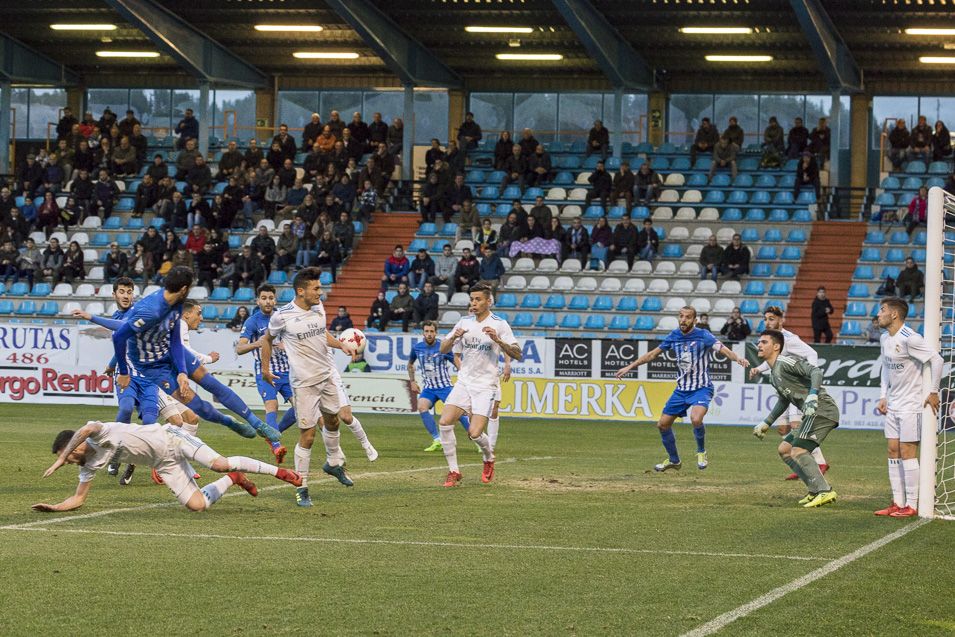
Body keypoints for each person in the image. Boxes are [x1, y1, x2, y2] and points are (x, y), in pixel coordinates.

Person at [258, 267, 378, 507]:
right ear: (301, 291)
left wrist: (341, 345)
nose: (320, 293)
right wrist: (265, 369)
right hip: (304, 384)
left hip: (326, 377)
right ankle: (301, 486)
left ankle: (333, 463)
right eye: (316, 288)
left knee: (333, 421)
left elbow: (322, 334)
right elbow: (267, 340)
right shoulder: (282, 316)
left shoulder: (318, 307)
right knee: (309, 435)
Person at [33, 421, 302, 513]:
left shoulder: (95, 434)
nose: (69, 461)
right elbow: (79, 498)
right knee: (197, 505)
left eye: (68, 455)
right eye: (65, 459)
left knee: (218, 464)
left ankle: (280, 473)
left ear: (73, 446)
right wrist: (54, 507)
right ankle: (234, 478)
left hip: (173, 438)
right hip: (163, 463)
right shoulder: (88, 464)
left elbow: (86, 428)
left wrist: (59, 459)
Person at [616, 306, 750, 471]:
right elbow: (652, 355)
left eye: (687, 317)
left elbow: (724, 350)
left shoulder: (703, 335)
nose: (683, 320)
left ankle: (701, 452)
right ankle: (674, 460)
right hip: (681, 390)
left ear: (695, 320)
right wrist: (629, 367)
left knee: (696, 419)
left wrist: (738, 358)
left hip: (701, 387)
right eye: (681, 316)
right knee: (662, 425)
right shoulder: (674, 336)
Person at [438, 283, 522, 486]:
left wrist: (498, 340)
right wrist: (454, 337)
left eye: (478, 299)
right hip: (464, 382)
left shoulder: (500, 324)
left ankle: (489, 457)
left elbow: (517, 353)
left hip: (485, 386)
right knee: (445, 422)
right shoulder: (464, 322)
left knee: (474, 434)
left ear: (488, 301)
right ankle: (454, 471)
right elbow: (443, 349)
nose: (474, 303)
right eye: (472, 299)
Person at [752, 330, 839, 508]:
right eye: (759, 342)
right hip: (812, 413)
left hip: (821, 409)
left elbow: (815, 371)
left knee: (798, 450)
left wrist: (813, 395)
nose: (759, 345)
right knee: (784, 450)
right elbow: (784, 400)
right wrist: (767, 422)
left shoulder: (785, 362)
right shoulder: (773, 375)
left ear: (776, 346)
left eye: (764, 342)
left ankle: (824, 490)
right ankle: (814, 490)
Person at [875, 297, 944, 517]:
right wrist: (883, 395)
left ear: (894, 314)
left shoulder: (910, 338)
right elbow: (886, 368)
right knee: (892, 450)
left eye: (882, 310)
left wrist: (933, 391)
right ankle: (897, 502)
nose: (878, 314)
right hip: (893, 404)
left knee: (907, 452)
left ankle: (912, 504)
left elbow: (937, 360)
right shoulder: (885, 338)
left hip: (911, 405)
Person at [750, 305, 829, 478]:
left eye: (771, 319)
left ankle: (819, 463)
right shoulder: (771, 339)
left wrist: (811, 376)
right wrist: (758, 369)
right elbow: (773, 360)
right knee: (782, 429)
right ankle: (802, 463)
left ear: (781, 319)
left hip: (796, 387)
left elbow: (812, 353)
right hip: (783, 389)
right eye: (765, 319)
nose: (767, 322)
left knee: (796, 426)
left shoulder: (789, 339)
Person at [236, 285, 298, 436]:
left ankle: (274, 432)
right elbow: (240, 348)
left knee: (300, 407)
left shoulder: (283, 318)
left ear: (275, 300)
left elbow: (296, 339)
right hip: (265, 371)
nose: (268, 302)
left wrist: (287, 345)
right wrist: (259, 343)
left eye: (271, 298)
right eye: (264, 298)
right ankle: (275, 444)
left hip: (287, 370)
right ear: (258, 301)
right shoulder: (252, 321)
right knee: (272, 405)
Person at [408, 320, 471, 452]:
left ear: (436, 333)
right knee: (422, 406)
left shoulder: (443, 347)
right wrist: (412, 381)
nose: (429, 334)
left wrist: (465, 379)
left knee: (459, 413)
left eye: (431, 331)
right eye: (426, 331)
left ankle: (476, 438)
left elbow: (456, 362)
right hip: (429, 388)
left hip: (445, 387)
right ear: (423, 333)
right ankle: (437, 440)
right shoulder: (417, 348)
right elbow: (410, 364)